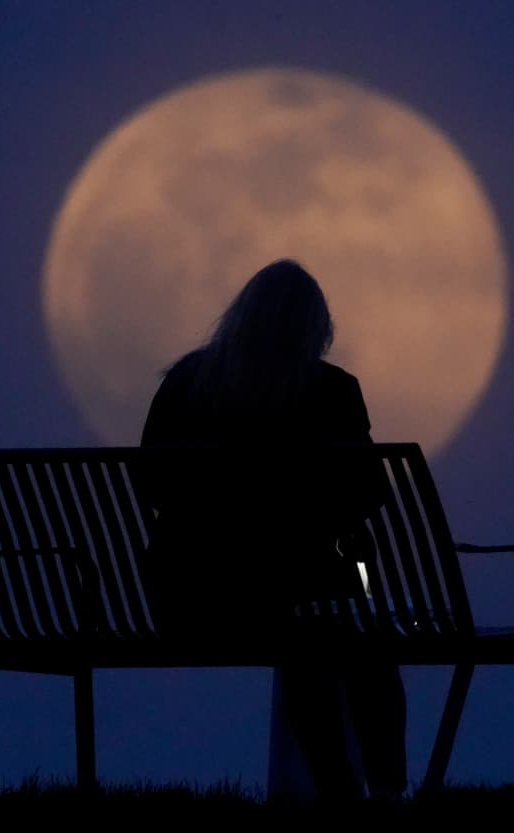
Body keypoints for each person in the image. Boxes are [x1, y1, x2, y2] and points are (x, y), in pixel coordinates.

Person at [139, 258, 407, 802]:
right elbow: (366, 492)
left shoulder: (187, 382)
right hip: (289, 597)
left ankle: (341, 790)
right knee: (350, 642)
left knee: (312, 639)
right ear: (316, 326)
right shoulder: (331, 390)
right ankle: (379, 791)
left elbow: (151, 484)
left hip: (187, 600)